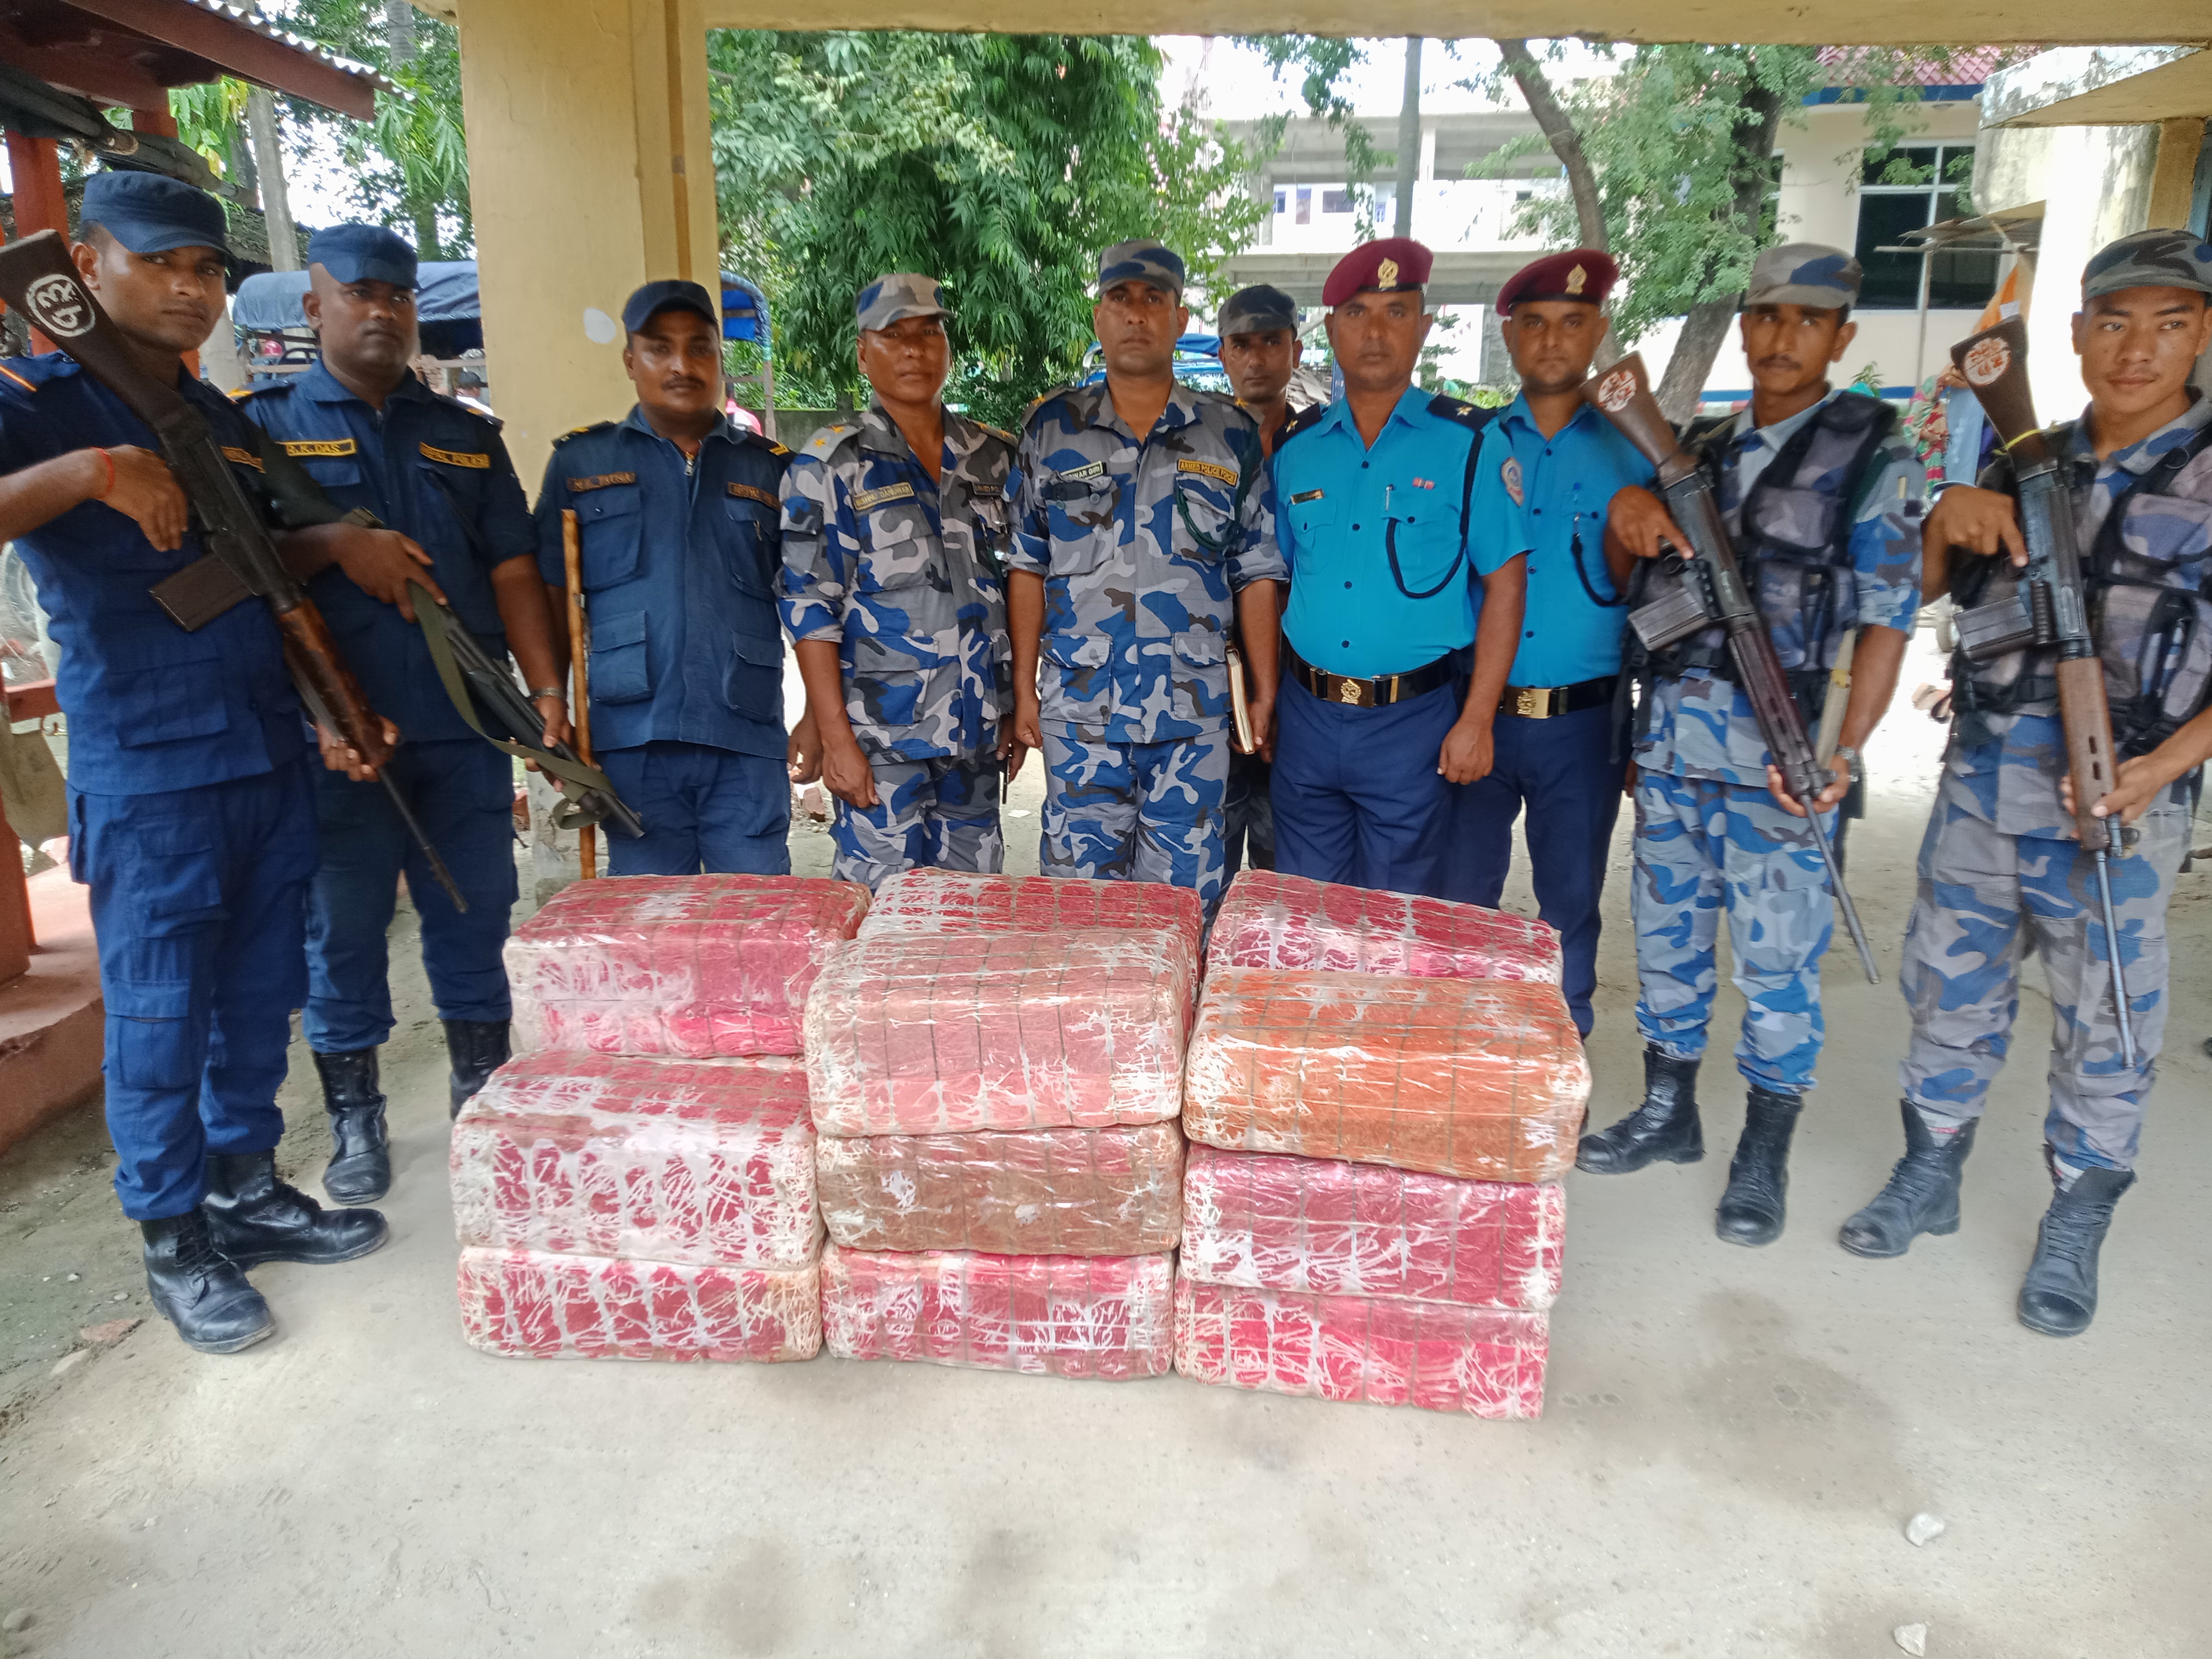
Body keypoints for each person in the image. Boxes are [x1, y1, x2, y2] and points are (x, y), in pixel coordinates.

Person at [0, 173, 429, 1352]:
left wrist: (329, 669)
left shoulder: (213, 418)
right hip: (151, 774)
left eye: (206, 270)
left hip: (263, 752)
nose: (191, 289)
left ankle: (245, 1189)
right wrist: (89, 473)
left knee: (257, 997)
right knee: (159, 1017)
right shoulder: (39, 401)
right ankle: (173, 1235)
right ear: (85, 266)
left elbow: (252, 571)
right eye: (160, 263)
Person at [1840, 230, 2212, 1336]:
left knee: (2108, 1017)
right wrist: (1947, 510)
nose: (2137, 349)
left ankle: (2075, 1218)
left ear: (2203, 333)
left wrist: (2163, 767)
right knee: (1947, 990)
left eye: (2169, 324)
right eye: (2115, 322)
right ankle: (1930, 1173)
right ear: (2077, 335)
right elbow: (1904, 593)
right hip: (1986, 785)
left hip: (2122, 800)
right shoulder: (2020, 457)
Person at [1578, 243, 1923, 1248]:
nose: (1783, 338)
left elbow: (1887, 623)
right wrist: (1628, 515)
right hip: (1676, 750)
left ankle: (1764, 1151)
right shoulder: (1699, 447)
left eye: (1809, 322)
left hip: (1783, 762)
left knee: (1777, 968)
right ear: (1745, 327)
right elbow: (1634, 589)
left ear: (1840, 339)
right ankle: (1669, 1111)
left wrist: (1841, 752)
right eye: (1768, 317)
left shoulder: (1875, 453)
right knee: (1667, 942)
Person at [239, 224, 567, 1201]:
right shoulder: (262, 430)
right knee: (341, 930)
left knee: (474, 912)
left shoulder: (465, 435)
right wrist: (337, 544)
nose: (381, 311)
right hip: (339, 732)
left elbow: (514, 569)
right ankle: (356, 1118)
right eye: (359, 294)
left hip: (461, 722)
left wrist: (545, 693)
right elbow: (242, 560)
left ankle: (480, 1090)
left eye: (397, 295)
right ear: (315, 308)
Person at [1007, 240, 1284, 910]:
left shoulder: (1228, 433)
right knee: (1077, 907)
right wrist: (1022, 691)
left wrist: (1264, 690)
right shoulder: (1051, 430)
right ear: (1098, 317)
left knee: (1184, 908)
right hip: (1080, 713)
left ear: (1179, 319)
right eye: (1120, 299)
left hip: (1192, 713)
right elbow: (1026, 563)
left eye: (1153, 300)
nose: (1136, 314)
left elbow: (1256, 570)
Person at [1268, 237, 1530, 899]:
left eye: (1395, 311)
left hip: (1411, 725)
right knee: (1306, 911)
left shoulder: (1471, 443)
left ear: (1424, 325)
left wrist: (1476, 721)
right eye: (1356, 313)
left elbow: (1504, 585)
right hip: (1306, 716)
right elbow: (1282, 581)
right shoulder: (1297, 449)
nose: (1375, 332)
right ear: (1331, 329)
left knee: (1393, 914)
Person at [535, 279, 815, 876]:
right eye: (659, 348)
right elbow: (552, 593)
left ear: (719, 358)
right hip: (632, 742)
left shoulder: (772, 470)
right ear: (630, 360)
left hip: (744, 736)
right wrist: (550, 697)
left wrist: (817, 711)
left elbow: (811, 600)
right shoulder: (581, 464)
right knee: (650, 921)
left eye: (699, 348)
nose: (681, 365)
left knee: (754, 916)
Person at [1442, 249, 1646, 1037]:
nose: (1552, 340)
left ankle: (1564, 1042)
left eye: (1571, 323)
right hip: (1476, 711)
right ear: (1509, 336)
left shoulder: (1638, 449)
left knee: (1570, 898)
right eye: (1533, 324)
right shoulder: (1472, 444)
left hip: (1582, 722)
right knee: (1461, 895)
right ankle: (1462, 1044)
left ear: (1598, 330)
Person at [779, 274, 1018, 887]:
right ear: (864, 353)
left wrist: (1014, 707)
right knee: (877, 911)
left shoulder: (993, 458)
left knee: (970, 912)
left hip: (975, 737)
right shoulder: (831, 465)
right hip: (880, 741)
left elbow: (1019, 585)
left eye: (929, 333)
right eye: (893, 336)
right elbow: (809, 609)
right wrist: (835, 737)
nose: (914, 349)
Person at [1215, 282, 1308, 876]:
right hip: (1214, 675)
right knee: (1212, 851)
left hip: (1302, 679)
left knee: (1283, 859)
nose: (1256, 358)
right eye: (1242, 344)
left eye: (1271, 342)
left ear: (1295, 351)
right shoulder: (1199, 444)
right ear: (1223, 355)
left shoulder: (1323, 445)